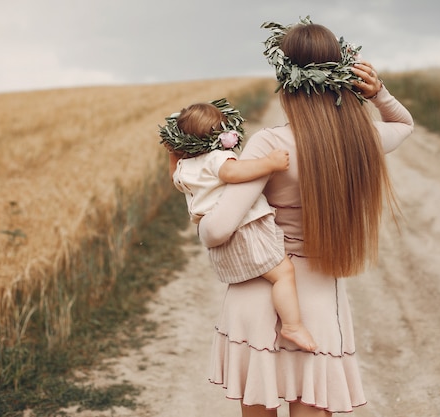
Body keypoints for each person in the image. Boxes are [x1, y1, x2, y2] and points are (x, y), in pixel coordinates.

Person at [197, 17, 414, 416]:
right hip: (318, 303)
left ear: (285, 79)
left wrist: (199, 213)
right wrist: (380, 93)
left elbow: (218, 230)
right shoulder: (362, 140)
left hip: (258, 295)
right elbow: (403, 124)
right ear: (342, 74)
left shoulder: (270, 144)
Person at [159, 99, 318, 352]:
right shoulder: (217, 157)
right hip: (244, 229)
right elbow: (233, 173)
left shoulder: (184, 168)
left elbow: (173, 178)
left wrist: (172, 154)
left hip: (222, 237)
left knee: (264, 275)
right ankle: (292, 325)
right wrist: (270, 163)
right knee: (284, 273)